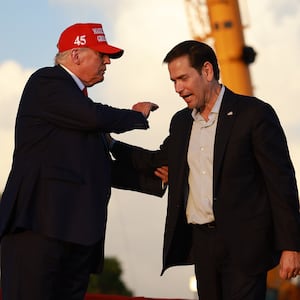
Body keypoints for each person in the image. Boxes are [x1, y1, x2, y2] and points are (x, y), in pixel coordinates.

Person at [109, 40, 300, 300]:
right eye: (173, 81)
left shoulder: (255, 114)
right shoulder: (181, 122)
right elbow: (156, 161)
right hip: (202, 245)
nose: (178, 88)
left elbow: (281, 183)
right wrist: (110, 143)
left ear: (207, 71)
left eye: (183, 78)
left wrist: (290, 246)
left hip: (246, 246)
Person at [0, 23, 166, 300]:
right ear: (76, 55)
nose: (107, 61)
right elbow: (94, 116)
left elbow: (97, 167)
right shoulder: (47, 82)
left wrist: (156, 175)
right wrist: (136, 116)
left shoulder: (76, 109)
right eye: (101, 54)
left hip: (75, 235)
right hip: (39, 229)